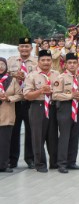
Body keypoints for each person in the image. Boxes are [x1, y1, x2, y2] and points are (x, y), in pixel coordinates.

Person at [22, 49, 59, 173]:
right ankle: (40, 164)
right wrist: (40, 91)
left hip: (53, 106)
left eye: (48, 60)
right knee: (38, 136)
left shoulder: (56, 74)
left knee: (53, 136)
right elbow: (26, 95)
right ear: (38, 62)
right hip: (37, 107)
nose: (46, 62)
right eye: (43, 60)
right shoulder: (32, 75)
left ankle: (54, 163)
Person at [7, 36, 36, 169]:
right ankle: (12, 159)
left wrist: (27, 77)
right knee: (14, 130)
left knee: (30, 130)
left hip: (30, 100)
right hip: (15, 101)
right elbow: (4, 76)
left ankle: (30, 159)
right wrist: (14, 76)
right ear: (18, 48)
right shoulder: (11, 61)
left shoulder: (36, 62)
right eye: (22, 46)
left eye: (27, 46)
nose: (24, 49)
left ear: (31, 48)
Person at [52, 53, 79, 173]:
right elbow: (55, 95)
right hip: (65, 107)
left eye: (74, 63)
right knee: (65, 136)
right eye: (69, 63)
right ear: (65, 65)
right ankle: (62, 163)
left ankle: (72, 162)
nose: (72, 65)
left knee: (75, 136)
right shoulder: (61, 78)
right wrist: (71, 96)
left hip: (77, 107)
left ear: (77, 64)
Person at [0, 57, 22, 173]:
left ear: (6, 67)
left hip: (7, 114)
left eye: (2, 64)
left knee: (5, 142)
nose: (0, 67)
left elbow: (20, 95)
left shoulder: (11, 80)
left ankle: (4, 164)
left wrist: (8, 98)